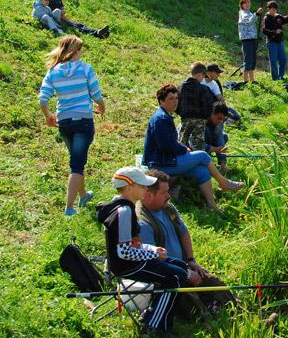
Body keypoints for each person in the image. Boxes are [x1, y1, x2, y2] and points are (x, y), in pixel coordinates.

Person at [96, 167, 199, 335]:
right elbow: (124, 251)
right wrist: (153, 253)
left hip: (131, 261)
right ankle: (156, 325)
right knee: (177, 277)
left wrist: (151, 248)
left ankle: (153, 314)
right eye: (142, 185)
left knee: (180, 266)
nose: (146, 188)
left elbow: (132, 245)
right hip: (128, 266)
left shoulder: (124, 207)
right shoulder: (125, 212)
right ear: (130, 188)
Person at [137, 169, 235, 321]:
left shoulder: (168, 208)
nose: (169, 196)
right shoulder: (142, 223)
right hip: (167, 279)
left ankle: (235, 311)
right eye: (164, 192)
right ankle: (209, 317)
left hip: (183, 267)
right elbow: (154, 263)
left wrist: (190, 260)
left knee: (214, 283)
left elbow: (183, 232)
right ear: (149, 195)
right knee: (191, 304)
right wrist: (186, 273)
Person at [143, 84, 244, 213]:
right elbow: (165, 146)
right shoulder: (161, 119)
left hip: (167, 160)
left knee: (202, 171)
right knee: (202, 155)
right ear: (161, 101)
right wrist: (183, 149)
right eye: (171, 99)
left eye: (176, 98)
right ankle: (224, 183)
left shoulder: (165, 116)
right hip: (160, 163)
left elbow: (169, 144)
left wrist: (182, 148)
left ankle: (212, 206)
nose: (175, 101)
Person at [39, 35, 105, 216]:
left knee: (77, 159)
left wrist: (48, 116)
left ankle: (83, 196)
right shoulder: (85, 69)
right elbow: (96, 94)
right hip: (83, 121)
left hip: (64, 122)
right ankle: (69, 208)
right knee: (77, 164)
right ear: (76, 51)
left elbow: (43, 99)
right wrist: (102, 106)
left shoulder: (53, 72)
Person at [177, 62, 215, 150]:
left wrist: (181, 113)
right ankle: (199, 158)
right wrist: (205, 117)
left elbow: (176, 103)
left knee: (182, 145)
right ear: (200, 74)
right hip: (200, 121)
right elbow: (209, 106)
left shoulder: (180, 87)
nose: (203, 79)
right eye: (203, 76)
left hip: (185, 119)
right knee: (198, 146)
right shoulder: (204, 89)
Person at [261, 1, 288, 81]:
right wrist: (274, 32)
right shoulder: (266, 18)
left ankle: (281, 76)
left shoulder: (278, 16)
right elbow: (264, 30)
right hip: (271, 42)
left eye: (275, 10)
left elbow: (285, 19)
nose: (274, 11)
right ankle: (275, 78)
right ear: (268, 9)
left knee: (283, 59)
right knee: (273, 61)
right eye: (272, 9)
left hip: (280, 41)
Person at [237, 0, 262, 83]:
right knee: (248, 59)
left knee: (252, 59)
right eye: (245, 3)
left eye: (248, 2)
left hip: (252, 39)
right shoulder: (242, 13)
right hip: (247, 39)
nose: (247, 4)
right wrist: (257, 14)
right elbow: (249, 21)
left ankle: (252, 79)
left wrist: (256, 15)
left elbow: (252, 21)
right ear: (242, 5)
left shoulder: (249, 13)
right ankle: (245, 80)